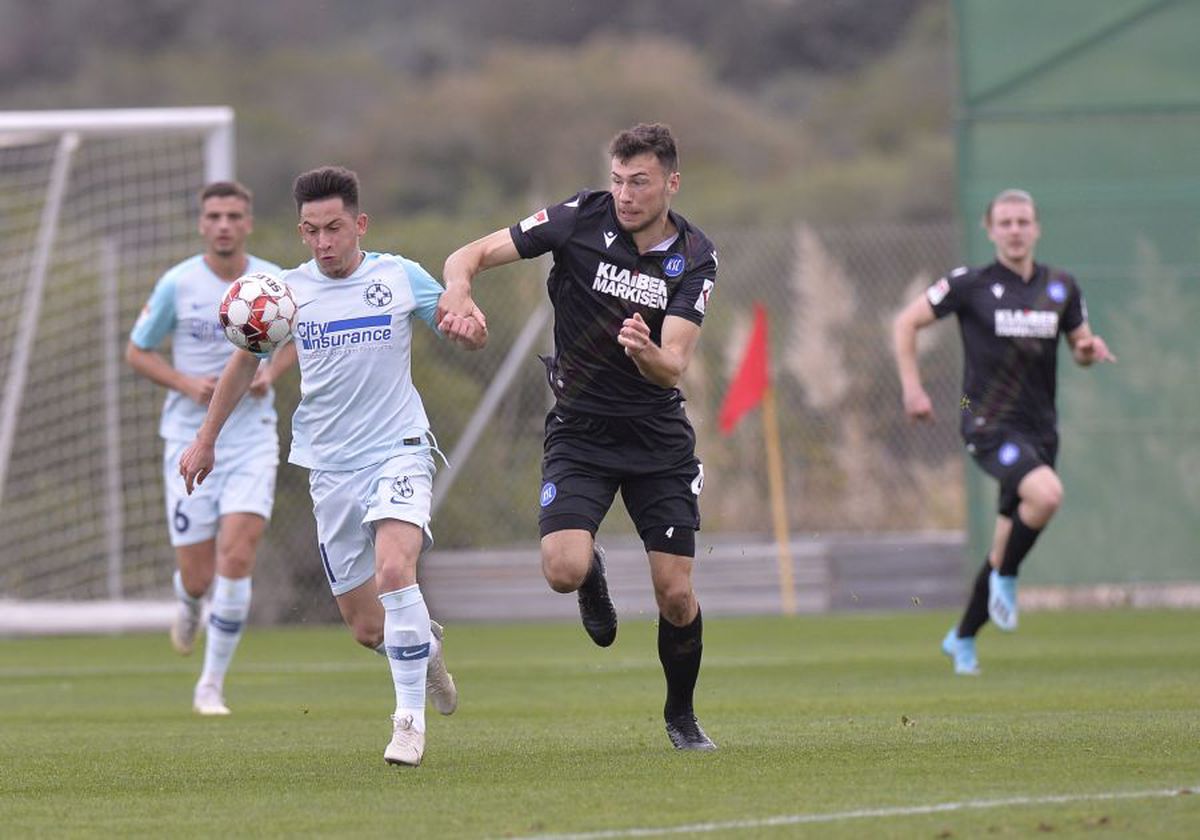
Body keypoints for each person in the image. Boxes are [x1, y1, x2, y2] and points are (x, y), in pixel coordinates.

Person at [179, 166, 485, 766]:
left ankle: (406, 724)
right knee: (368, 628)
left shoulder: (399, 277)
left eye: (335, 228)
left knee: (397, 570)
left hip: (399, 447)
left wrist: (469, 329)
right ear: (301, 231)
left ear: (359, 224)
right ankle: (424, 650)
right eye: (313, 231)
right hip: (330, 466)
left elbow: (462, 325)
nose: (324, 242)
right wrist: (206, 438)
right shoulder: (284, 296)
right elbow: (245, 364)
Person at [438, 122, 719, 750]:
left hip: (656, 439)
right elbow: (470, 254)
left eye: (640, 183)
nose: (625, 194)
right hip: (581, 432)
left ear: (671, 183)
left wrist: (646, 351)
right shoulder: (577, 217)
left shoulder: (695, 254)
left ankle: (682, 717)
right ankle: (592, 574)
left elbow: (675, 364)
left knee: (675, 594)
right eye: (618, 180)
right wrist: (460, 288)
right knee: (561, 570)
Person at [893, 188, 1116, 675]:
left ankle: (963, 637)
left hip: (1041, 431)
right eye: (1006, 222)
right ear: (990, 230)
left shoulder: (1062, 286)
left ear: (1036, 228)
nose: (1015, 230)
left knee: (1005, 537)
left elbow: (1078, 347)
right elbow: (906, 323)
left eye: (1023, 222)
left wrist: (1089, 349)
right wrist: (913, 389)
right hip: (986, 421)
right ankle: (1008, 577)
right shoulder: (969, 284)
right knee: (1048, 496)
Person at [127, 180, 294, 716]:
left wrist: (272, 371)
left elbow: (300, 339)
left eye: (234, 215)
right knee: (199, 576)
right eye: (215, 215)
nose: (224, 224)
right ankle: (187, 599)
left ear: (248, 223)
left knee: (238, 556)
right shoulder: (178, 284)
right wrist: (183, 383)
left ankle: (210, 686)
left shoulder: (272, 282)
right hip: (187, 438)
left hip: (250, 439)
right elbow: (137, 351)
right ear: (202, 224)